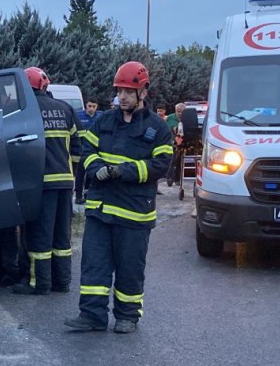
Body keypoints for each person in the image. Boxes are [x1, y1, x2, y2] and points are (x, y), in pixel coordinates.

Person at [63, 61, 173, 333]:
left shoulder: (158, 128)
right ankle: (91, 315)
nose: (121, 96)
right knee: (94, 265)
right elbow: (87, 149)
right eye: (119, 90)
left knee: (130, 267)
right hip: (101, 209)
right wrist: (97, 168)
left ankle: (127, 316)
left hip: (134, 213)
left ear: (142, 93)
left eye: (128, 91)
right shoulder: (104, 121)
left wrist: (123, 171)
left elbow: (161, 165)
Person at [11, 66, 78, 295]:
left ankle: (39, 283)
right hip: (65, 182)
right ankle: (62, 282)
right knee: (62, 235)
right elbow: (78, 149)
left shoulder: (25, 112)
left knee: (40, 235)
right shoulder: (66, 109)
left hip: (41, 183)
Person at [74, 101, 103, 204]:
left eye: (94, 106)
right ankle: (78, 195)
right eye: (89, 106)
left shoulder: (100, 116)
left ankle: (88, 194)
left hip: (94, 150)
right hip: (81, 149)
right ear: (86, 105)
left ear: (97, 107)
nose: (91, 108)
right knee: (80, 174)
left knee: (91, 172)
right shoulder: (78, 115)